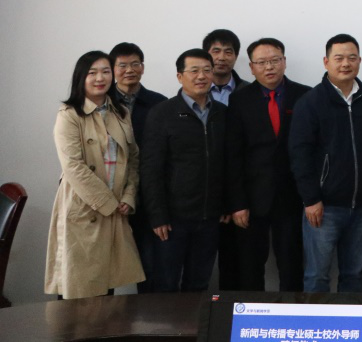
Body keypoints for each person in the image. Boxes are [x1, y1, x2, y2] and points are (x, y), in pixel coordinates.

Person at [45, 50, 145, 298]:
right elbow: (73, 166)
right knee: (77, 287)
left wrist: (128, 196)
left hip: (115, 209)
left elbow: (133, 159)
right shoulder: (69, 114)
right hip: (84, 207)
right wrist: (108, 203)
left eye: (105, 72)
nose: (100, 78)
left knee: (105, 286)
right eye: (92, 73)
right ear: (81, 77)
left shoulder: (120, 112)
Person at [289, 34, 362, 293]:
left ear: (359, 61)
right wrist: (311, 199)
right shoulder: (310, 102)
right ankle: (315, 322)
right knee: (317, 276)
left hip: (361, 207)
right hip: (323, 207)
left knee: (355, 275)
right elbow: (300, 155)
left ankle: (349, 322)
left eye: (351, 58)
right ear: (326, 62)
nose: (345, 64)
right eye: (338, 58)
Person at [226, 37, 311, 291]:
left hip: (293, 197)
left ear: (284, 62)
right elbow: (233, 156)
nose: (269, 67)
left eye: (275, 60)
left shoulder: (305, 95)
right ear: (251, 67)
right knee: (251, 267)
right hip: (252, 199)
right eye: (262, 62)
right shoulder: (239, 100)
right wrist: (238, 203)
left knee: (292, 265)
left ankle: (292, 312)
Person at [141, 48, 229, 292]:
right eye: (194, 71)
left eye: (207, 70)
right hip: (172, 219)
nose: (201, 76)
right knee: (165, 284)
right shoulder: (162, 113)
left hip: (210, 217)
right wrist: (157, 215)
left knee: (199, 284)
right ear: (180, 76)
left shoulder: (222, 113)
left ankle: (195, 320)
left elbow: (228, 163)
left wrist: (226, 203)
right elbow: (150, 168)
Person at [109, 41, 165, 293]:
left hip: (148, 194)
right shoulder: (101, 102)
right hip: (109, 195)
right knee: (103, 266)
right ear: (112, 69)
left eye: (135, 64)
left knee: (150, 265)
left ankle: (148, 316)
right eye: (122, 65)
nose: (129, 70)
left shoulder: (159, 103)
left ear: (143, 67)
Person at [203, 27, 244, 290]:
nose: (221, 57)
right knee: (198, 267)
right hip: (202, 195)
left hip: (239, 196)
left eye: (228, 51)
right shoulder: (191, 92)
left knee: (235, 266)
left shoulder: (249, 92)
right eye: (215, 51)